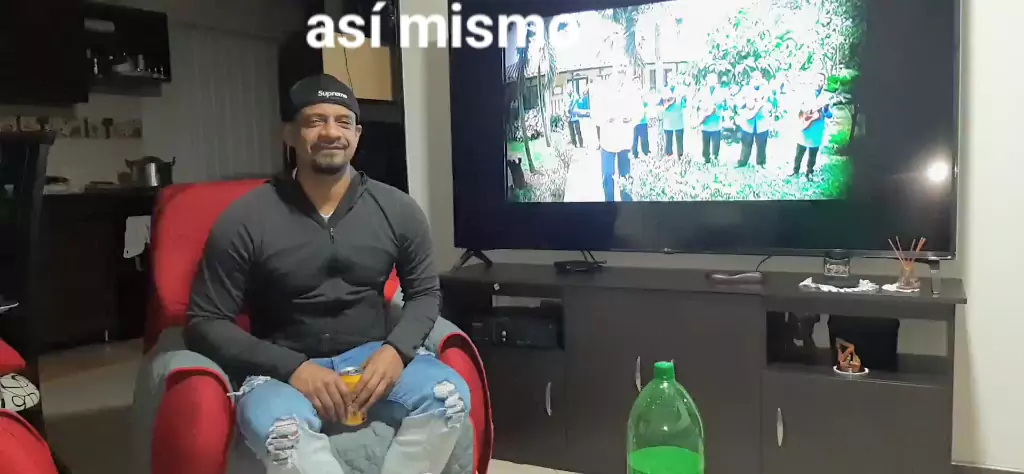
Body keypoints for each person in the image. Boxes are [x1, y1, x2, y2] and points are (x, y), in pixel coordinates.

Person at [183, 74, 469, 474]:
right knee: (282, 434)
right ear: (289, 134)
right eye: (315, 121)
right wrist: (293, 367)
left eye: (343, 121)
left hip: (373, 356)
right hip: (281, 369)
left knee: (450, 398)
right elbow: (204, 321)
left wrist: (396, 350)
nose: (331, 132)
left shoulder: (398, 209)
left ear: (357, 135)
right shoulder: (245, 218)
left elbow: (424, 294)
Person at [592, 66, 643, 202]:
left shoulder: (632, 90)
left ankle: (627, 208)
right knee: (607, 177)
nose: (622, 69)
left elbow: (639, 112)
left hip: (625, 141)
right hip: (608, 141)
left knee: (625, 177)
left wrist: (631, 119)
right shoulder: (603, 90)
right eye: (619, 66)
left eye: (624, 66)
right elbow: (595, 114)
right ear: (613, 68)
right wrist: (606, 118)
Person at [793, 72, 833, 178]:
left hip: (817, 130)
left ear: (824, 82)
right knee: (799, 153)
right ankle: (795, 171)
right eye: (817, 80)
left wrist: (826, 110)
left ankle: (809, 172)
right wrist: (809, 111)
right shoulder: (806, 93)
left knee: (813, 154)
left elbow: (829, 115)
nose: (819, 83)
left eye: (821, 80)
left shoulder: (826, 97)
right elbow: (799, 108)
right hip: (805, 126)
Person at [736, 71, 776, 169]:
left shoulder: (766, 91)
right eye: (755, 78)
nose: (757, 81)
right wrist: (746, 104)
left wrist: (764, 106)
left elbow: (772, 103)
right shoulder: (746, 90)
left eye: (759, 78)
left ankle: (760, 163)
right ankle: (743, 161)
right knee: (746, 143)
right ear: (751, 79)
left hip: (762, 122)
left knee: (761, 144)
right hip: (748, 122)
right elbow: (738, 101)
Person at [695, 73, 727, 164]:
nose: (712, 83)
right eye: (710, 80)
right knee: (705, 141)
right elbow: (698, 103)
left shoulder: (720, 91)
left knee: (716, 141)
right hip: (705, 120)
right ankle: (706, 158)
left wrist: (720, 105)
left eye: (713, 80)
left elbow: (724, 105)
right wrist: (705, 108)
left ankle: (715, 156)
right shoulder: (703, 91)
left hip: (716, 119)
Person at [660, 75, 686, 159]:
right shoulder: (664, 91)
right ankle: (669, 158)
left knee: (679, 141)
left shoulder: (680, 90)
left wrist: (684, 100)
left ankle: (680, 158)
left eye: (673, 79)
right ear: (667, 80)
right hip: (668, 120)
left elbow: (684, 105)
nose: (672, 80)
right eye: (670, 79)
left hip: (678, 119)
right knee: (668, 141)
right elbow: (661, 104)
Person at [632, 85, 651, 159]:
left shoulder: (643, 101)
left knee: (644, 138)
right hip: (635, 122)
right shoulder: (633, 101)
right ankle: (635, 153)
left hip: (642, 122)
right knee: (635, 139)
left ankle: (645, 152)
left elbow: (646, 106)